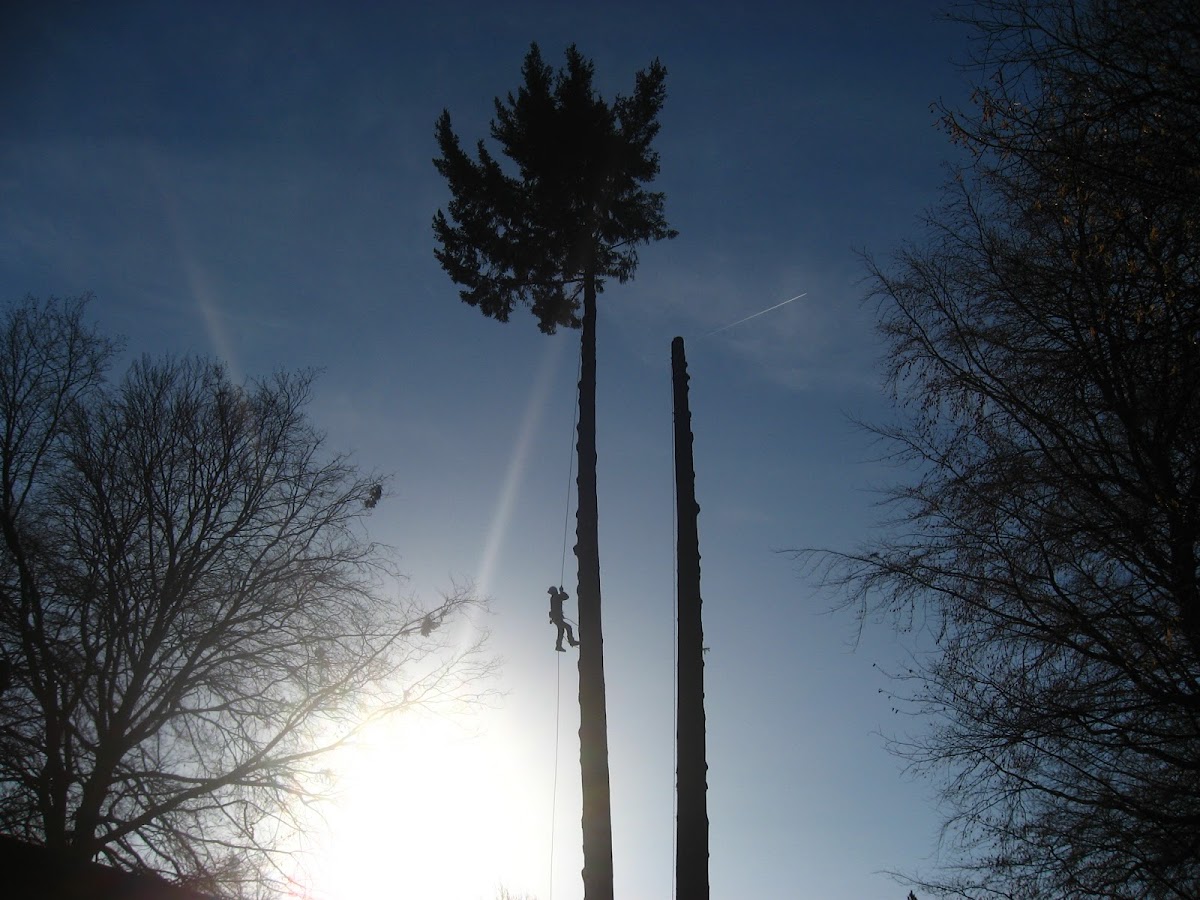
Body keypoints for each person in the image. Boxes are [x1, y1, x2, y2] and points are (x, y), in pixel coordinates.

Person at [547, 585, 579, 652]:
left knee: (561, 631)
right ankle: (571, 641)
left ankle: (558, 646)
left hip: (556, 618)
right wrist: (561, 591)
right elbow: (566, 597)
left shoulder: (554, 598)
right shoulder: (556, 597)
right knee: (568, 627)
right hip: (557, 618)